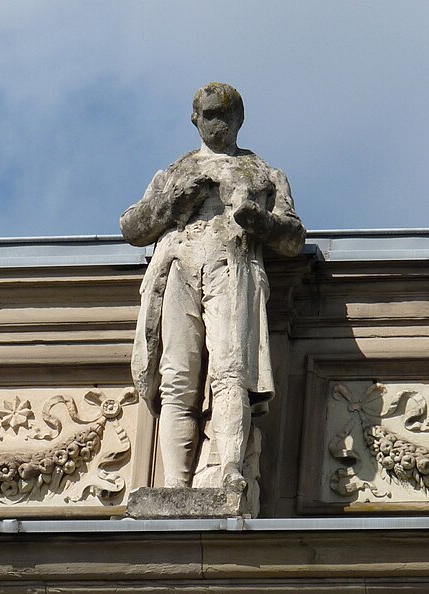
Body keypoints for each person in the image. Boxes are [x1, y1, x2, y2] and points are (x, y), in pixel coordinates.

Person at [120, 82, 305, 492]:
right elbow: (131, 227)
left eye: (224, 115)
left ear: (239, 119)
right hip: (180, 269)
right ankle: (175, 485)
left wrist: (259, 221)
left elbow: (293, 237)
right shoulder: (175, 171)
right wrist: (170, 203)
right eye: (209, 115)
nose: (216, 124)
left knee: (230, 372)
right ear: (195, 120)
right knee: (178, 379)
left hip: (232, 270)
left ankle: (230, 473)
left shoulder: (262, 173)